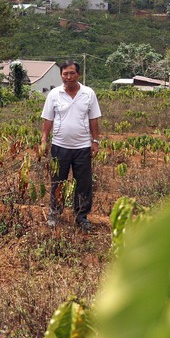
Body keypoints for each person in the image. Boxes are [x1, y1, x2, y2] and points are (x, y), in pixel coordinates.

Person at [40, 60, 101, 232]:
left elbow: (93, 119)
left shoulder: (88, 93)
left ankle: (81, 217)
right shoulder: (54, 94)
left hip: (82, 147)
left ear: (78, 75)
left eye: (72, 73)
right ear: (61, 75)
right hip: (60, 146)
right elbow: (48, 119)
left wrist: (95, 141)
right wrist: (44, 139)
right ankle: (54, 213)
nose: (68, 77)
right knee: (58, 181)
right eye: (65, 74)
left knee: (83, 183)